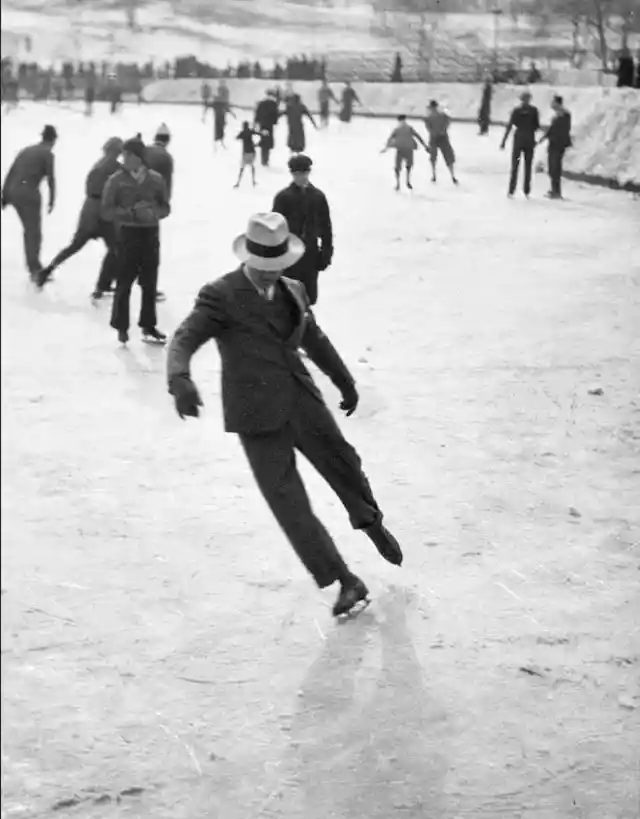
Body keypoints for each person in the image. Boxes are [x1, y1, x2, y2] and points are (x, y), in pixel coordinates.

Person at [166, 211, 403, 619]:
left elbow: (315, 339)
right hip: (255, 414)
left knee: (344, 464)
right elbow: (185, 337)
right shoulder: (220, 294)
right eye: (264, 268)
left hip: (301, 398)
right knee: (288, 503)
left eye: (277, 267)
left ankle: (369, 521)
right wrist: (179, 378)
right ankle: (344, 579)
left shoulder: (293, 289)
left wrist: (345, 381)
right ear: (249, 259)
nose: (270, 275)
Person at [101, 137, 170, 345]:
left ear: (137, 157)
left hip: (151, 233)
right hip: (127, 234)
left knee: (149, 282)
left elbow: (166, 207)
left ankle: (148, 325)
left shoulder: (156, 179)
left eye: (128, 155)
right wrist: (130, 213)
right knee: (124, 282)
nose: (124, 159)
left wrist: (152, 212)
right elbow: (106, 211)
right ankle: (121, 326)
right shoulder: (115, 180)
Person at [37, 137, 123, 295]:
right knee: (116, 248)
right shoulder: (116, 167)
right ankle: (104, 286)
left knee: (75, 246)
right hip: (103, 212)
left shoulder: (97, 164)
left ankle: (48, 270)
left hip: (89, 209)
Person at [272, 154, 332, 306]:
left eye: (305, 173)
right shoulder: (283, 198)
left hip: (310, 255)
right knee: (288, 298)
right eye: (298, 174)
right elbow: (274, 228)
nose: (302, 177)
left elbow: (326, 228)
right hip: (289, 255)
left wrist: (326, 253)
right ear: (292, 174)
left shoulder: (318, 197)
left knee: (309, 297)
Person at [1, 124, 57, 279]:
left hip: (13, 190)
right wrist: (52, 199)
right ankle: (35, 269)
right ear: (53, 140)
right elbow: (51, 178)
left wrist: (4, 194)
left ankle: (33, 265)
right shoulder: (47, 154)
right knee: (33, 232)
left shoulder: (26, 150)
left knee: (29, 230)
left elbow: (11, 171)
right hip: (28, 193)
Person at [144, 123, 174, 303]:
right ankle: (150, 290)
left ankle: (104, 283)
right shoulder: (166, 158)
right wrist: (164, 208)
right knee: (151, 253)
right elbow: (166, 186)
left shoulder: (144, 150)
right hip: (151, 210)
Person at [501, 90, 540, 198]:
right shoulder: (534, 111)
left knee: (515, 166)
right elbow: (537, 126)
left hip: (519, 139)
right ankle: (526, 191)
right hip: (529, 139)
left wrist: (503, 141)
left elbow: (510, 126)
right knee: (527, 166)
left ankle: (511, 190)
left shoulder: (517, 111)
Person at [538, 95, 572, 200]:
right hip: (553, 143)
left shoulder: (564, 115)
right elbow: (551, 130)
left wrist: (546, 136)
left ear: (557, 103)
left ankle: (557, 191)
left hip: (558, 144)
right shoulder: (557, 115)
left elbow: (559, 130)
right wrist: (543, 138)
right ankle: (554, 189)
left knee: (555, 167)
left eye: (553, 102)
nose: (551, 105)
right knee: (552, 167)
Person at [381, 114, 428, 191]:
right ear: (405, 120)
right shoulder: (409, 128)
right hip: (409, 149)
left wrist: (385, 148)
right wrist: (425, 146)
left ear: (398, 120)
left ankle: (398, 184)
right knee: (408, 166)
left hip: (400, 149)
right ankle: (407, 181)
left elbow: (390, 139)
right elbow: (418, 136)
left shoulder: (396, 129)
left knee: (397, 168)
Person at [424, 100, 459, 185]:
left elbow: (429, 129)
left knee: (433, 157)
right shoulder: (443, 116)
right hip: (443, 137)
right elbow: (448, 121)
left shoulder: (428, 118)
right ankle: (452, 176)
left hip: (434, 138)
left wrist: (435, 132)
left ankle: (434, 175)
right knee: (448, 157)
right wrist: (443, 130)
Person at [254, 89, 280, 167]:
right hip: (269, 125)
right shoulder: (273, 104)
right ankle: (266, 160)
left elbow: (257, 114)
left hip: (262, 124)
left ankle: (263, 159)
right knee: (268, 142)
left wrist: (256, 122)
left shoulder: (261, 103)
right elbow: (275, 115)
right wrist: (275, 122)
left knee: (263, 140)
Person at [233, 121, 259, 188]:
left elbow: (236, 138)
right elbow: (257, 133)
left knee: (242, 168)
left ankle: (238, 182)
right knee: (252, 166)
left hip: (246, 153)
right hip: (252, 152)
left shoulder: (243, 133)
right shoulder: (250, 131)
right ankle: (253, 181)